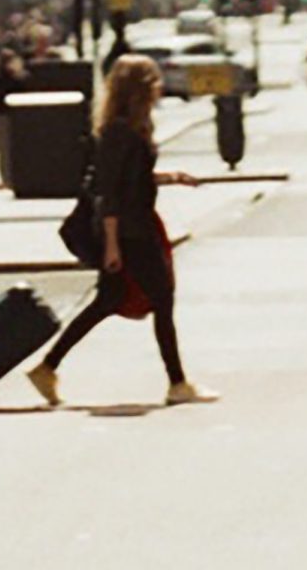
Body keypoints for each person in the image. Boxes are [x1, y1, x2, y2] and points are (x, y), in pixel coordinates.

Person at [28, 55, 212, 408]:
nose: (160, 87)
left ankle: (47, 368)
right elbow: (110, 192)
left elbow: (133, 179)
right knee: (162, 299)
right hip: (129, 231)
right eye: (154, 82)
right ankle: (177, 383)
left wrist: (172, 177)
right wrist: (112, 245)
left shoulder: (132, 127)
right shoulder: (118, 132)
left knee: (107, 302)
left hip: (136, 224)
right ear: (139, 89)